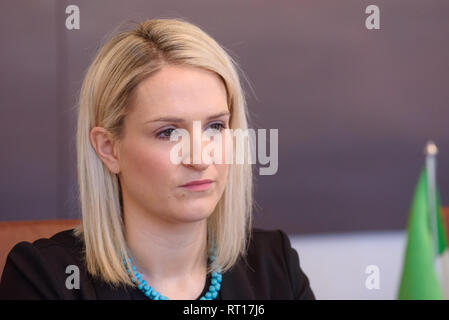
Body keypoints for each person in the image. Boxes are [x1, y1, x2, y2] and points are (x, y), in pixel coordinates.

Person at [0, 18, 315, 300]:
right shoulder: (45, 279)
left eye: (215, 126)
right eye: (168, 132)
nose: (199, 157)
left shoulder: (274, 266)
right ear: (109, 149)